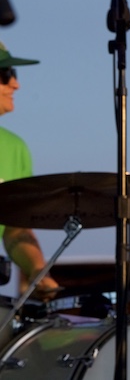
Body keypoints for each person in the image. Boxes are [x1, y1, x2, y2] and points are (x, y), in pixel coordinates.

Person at [0, 40, 60, 300]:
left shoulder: (15, 148)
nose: (16, 84)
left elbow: (15, 228)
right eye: (6, 74)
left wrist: (37, 270)